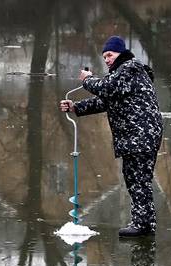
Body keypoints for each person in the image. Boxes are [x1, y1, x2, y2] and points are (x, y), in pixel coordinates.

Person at [59, 36, 163, 237]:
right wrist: (75, 107)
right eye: (104, 56)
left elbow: (106, 89)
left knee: (138, 178)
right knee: (136, 178)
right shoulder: (121, 76)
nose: (106, 59)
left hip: (140, 135)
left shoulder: (130, 69)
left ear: (120, 53)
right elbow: (105, 101)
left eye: (110, 55)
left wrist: (87, 79)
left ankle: (142, 224)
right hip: (138, 136)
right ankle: (145, 222)